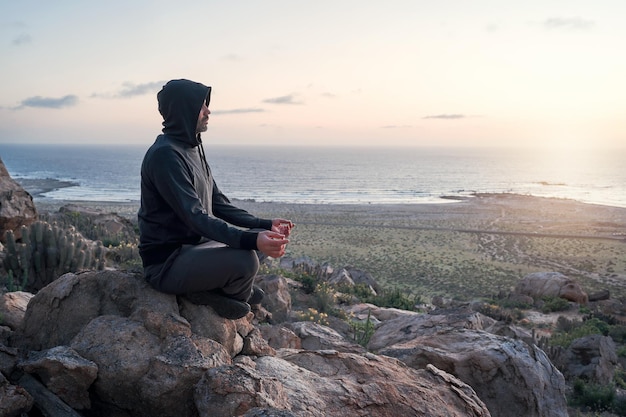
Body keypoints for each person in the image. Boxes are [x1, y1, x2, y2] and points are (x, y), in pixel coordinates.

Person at [138, 79, 294, 319]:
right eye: (202, 106)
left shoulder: (192, 149)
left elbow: (218, 203)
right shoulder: (165, 156)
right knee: (247, 259)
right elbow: (195, 217)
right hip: (168, 263)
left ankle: (219, 285)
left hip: (197, 249)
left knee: (261, 240)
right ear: (184, 110)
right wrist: (251, 241)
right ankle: (207, 293)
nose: (208, 111)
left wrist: (265, 225)